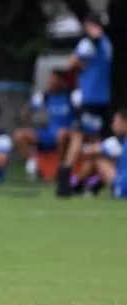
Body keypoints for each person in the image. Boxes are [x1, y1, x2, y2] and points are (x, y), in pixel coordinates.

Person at [57, 14, 113, 196]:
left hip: (90, 99)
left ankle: (64, 180)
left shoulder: (88, 43)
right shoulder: (107, 44)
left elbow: (71, 63)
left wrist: (78, 66)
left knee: (78, 137)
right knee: (95, 142)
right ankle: (88, 181)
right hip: (104, 99)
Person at [12, 69, 73, 180]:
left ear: (61, 81)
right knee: (19, 135)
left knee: (62, 134)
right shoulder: (45, 96)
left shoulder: (70, 96)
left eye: (54, 79)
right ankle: (33, 165)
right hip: (48, 133)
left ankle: (60, 170)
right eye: (50, 79)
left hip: (65, 134)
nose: (50, 82)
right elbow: (25, 112)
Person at [70, 108, 127, 198]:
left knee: (96, 158)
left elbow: (87, 151)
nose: (112, 125)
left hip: (122, 188)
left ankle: (78, 185)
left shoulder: (117, 142)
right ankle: (94, 183)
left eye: (116, 122)